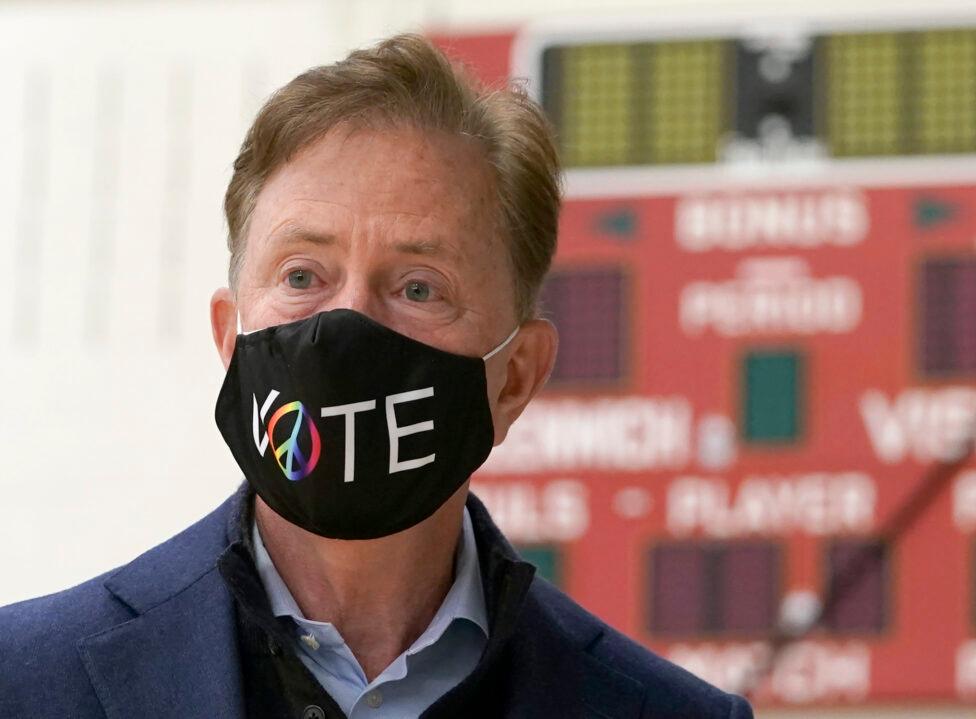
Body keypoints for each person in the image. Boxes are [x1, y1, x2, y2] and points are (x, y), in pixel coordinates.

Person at [0, 33, 754, 719]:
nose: (348, 325)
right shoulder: (25, 682)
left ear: (516, 376)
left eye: (419, 286)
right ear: (231, 339)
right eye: (302, 274)